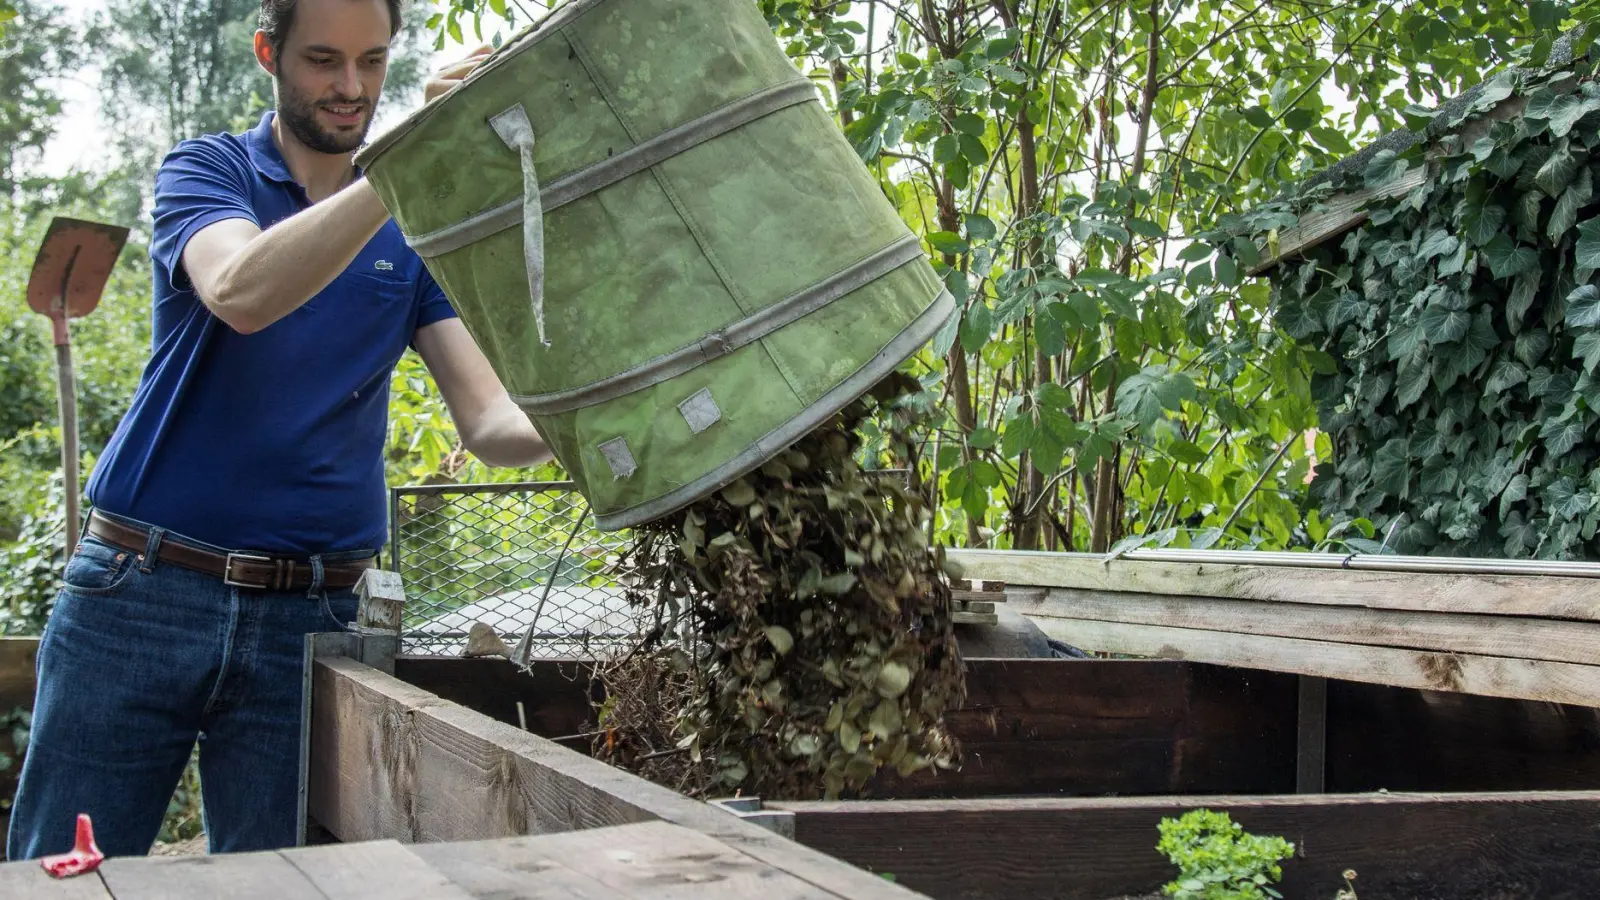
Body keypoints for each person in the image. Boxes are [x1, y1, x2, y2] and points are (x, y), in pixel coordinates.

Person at [7, 0, 539, 860]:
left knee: (281, 886)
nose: (351, 87)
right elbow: (242, 292)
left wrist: (615, 413)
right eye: (323, 61)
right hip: (142, 596)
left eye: (372, 62)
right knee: (62, 877)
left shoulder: (410, 235)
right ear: (269, 53)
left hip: (310, 620)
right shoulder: (206, 171)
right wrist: (397, 169)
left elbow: (490, 422)